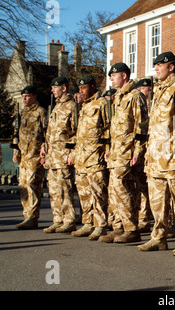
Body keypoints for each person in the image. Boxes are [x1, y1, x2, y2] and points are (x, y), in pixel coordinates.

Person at [137, 51, 175, 256]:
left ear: (171, 67)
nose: (156, 69)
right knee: (157, 201)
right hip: (156, 156)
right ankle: (158, 237)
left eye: (160, 65)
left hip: (173, 155)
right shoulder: (160, 90)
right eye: (156, 66)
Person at [98, 62, 149, 244]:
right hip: (117, 153)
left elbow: (141, 127)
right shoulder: (119, 97)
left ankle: (131, 228)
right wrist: (110, 150)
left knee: (123, 188)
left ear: (124, 76)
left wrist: (138, 152)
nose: (111, 79)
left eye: (114, 75)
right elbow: (116, 129)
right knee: (114, 190)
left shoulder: (135, 96)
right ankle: (118, 226)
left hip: (128, 153)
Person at [70, 75, 109, 240]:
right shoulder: (83, 107)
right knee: (84, 193)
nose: (81, 91)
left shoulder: (102, 104)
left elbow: (108, 129)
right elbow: (78, 133)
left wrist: (107, 150)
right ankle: (88, 222)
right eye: (79, 89)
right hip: (81, 157)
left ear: (92, 87)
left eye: (83, 88)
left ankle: (100, 224)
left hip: (95, 156)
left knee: (97, 192)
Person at [41, 76, 77, 233]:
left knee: (64, 188)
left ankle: (69, 219)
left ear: (64, 87)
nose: (52, 90)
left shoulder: (71, 106)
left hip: (63, 155)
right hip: (52, 156)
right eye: (52, 87)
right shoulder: (55, 107)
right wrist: (44, 147)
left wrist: (72, 153)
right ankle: (58, 219)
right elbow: (49, 133)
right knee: (54, 190)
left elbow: (76, 132)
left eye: (55, 87)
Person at [13, 86, 48, 229]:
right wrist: (16, 152)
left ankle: (33, 217)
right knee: (23, 187)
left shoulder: (41, 112)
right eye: (23, 96)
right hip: (24, 156)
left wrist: (44, 152)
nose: (24, 98)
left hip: (34, 155)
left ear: (34, 96)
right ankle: (26, 214)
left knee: (33, 186)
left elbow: (47, 133)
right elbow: (17, 134)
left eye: (27, 96)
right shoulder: (22, 113)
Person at [135, 78, 153, 233]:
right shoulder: (139, 103)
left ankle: (145, 218)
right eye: (139, 88)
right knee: (141, 187)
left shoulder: (152, 104)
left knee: (146, 187)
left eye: (144, 88)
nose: (141, 90)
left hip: (151, 150)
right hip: (142, 149)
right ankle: (141, 218)